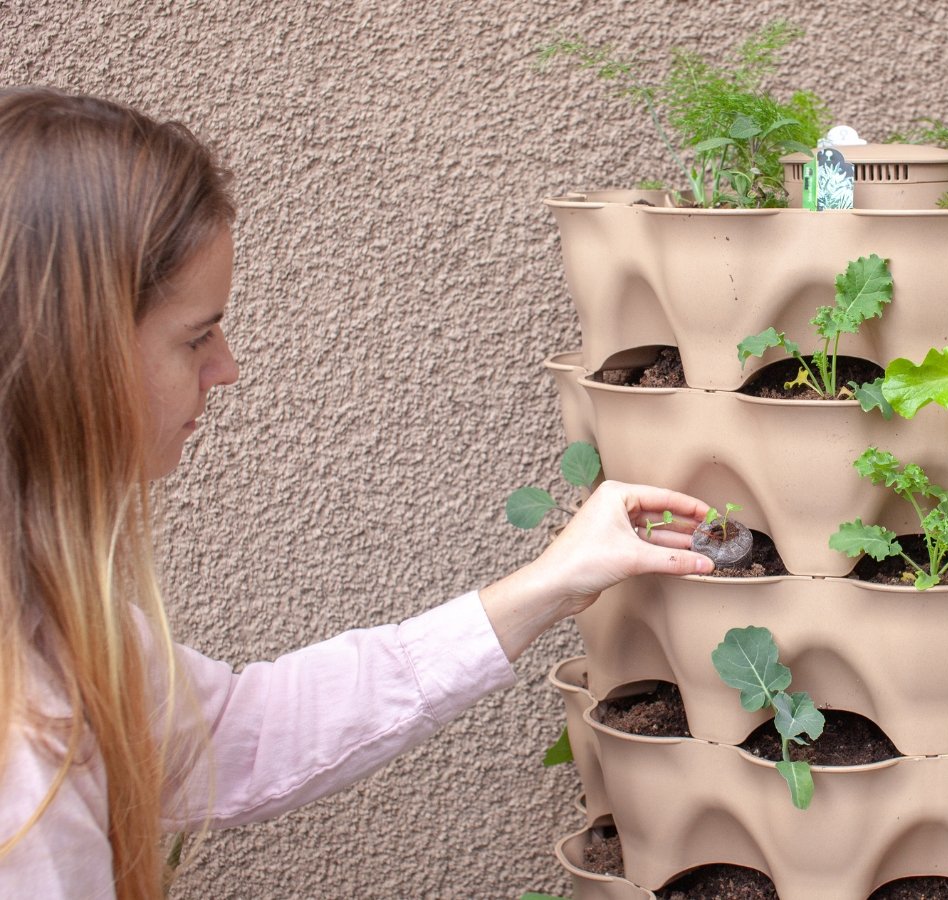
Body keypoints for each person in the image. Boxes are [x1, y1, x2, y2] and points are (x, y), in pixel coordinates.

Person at [0, 86, 714, 898]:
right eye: (196, 335)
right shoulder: (19, 758)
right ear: (71, 354)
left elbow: (236, 736)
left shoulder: (44, 619)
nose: (226, 367)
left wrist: (546, 585)